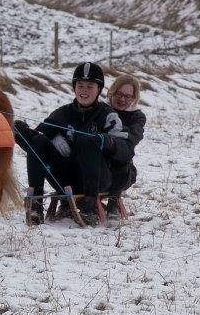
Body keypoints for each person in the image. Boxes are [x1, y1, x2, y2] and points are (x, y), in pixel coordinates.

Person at [14, 62, 132, 226]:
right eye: (80, 85)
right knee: (38, 141)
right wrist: (25, 132)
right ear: (74, 87)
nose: (84, 91)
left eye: (90, 86)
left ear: (99, 89)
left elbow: (125, 150)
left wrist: (105, 141)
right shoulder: (62, 113)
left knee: (87, 140)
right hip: (66, 179)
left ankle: (89, 207)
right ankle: (36, 204)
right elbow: (37, 139)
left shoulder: (108, 115)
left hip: (98, 179)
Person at [103, 74, 146, 219]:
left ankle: (113, 202)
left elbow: (134, 137)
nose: (122, 99)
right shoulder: (100, 109)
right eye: (119, 94)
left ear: (134, 98)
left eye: (128, 96)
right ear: (112, 92)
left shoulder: (137, 116)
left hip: (123, 169)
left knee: (121, 154)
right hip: (96, 162)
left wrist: (116, 136)